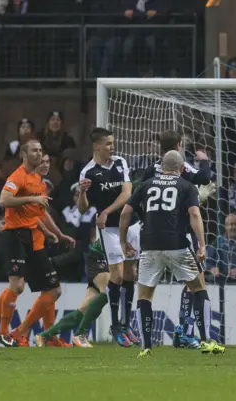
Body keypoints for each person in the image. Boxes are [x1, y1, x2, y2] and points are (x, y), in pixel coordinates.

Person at [120, 150, 224, 357]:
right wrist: (202, 245)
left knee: (145, 296)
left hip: (149, 245)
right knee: (198, 287)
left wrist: (123, 241)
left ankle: (145, 347)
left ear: (162, 166)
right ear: (182, 168)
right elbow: (194, 214)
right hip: (176, 243)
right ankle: (205, 341)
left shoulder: (146, 184)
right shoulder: (186, 186)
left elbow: (125, 212)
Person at [0, 137, 74, 347]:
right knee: (17, 286)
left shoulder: (37, 181)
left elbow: (39, 214)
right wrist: (31, 200)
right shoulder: (18, 176)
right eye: (35, 151)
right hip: (14, 236)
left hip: (31, 237)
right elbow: (3, 200)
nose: (39, 154)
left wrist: (52, 233)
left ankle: (4, 328)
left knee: (53, 290)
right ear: (24, 154)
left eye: (41, 151)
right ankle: (5, 332)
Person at [140, 129, 215, 349]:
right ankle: (186, 331)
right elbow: (203, 177)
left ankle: (146, 342)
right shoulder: (180, 166)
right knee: (197, 283)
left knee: (146, 293)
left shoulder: (150, 169)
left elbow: (139, 197)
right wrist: (204, 161)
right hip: (179, 235)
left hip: (151, 235)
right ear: (179, 146)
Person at [78, 127, 140, 347]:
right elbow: (83, 209)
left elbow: (127, 193)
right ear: (96, 146)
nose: (112, 147)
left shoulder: (120, 162)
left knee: (131, 273)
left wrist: (105, 211)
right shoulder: (88, 172)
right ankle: (115, 326)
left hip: (130, 224)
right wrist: (83, 192)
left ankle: (127, 324)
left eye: (112, 143)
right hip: (110, 230)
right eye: (108, 144)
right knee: (118, 275)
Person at [35, 229, 111, 348]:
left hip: (103, 256)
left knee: (84, 309)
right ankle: (80, 334)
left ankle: (44, 335)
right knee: (107, 292)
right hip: (102, 256)